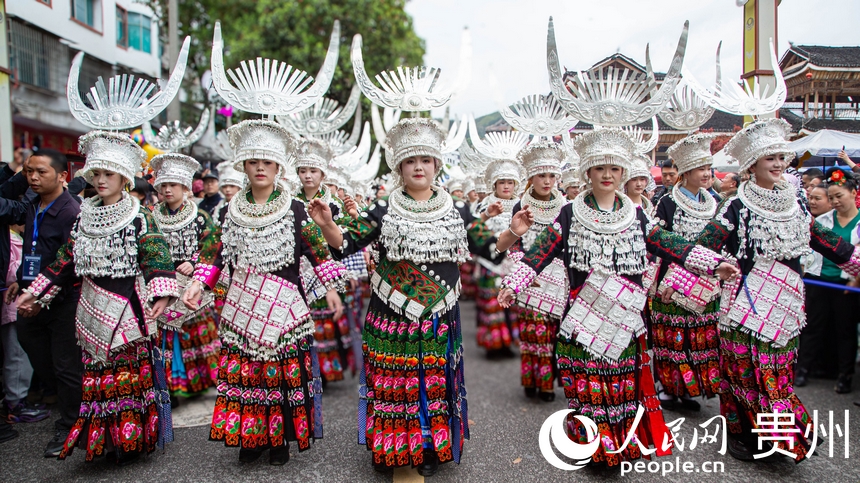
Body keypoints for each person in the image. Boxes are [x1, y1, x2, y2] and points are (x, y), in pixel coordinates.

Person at [498, 128, 737, 468]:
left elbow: (672, 245)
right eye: (599, 169)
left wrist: (714, 264)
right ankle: (593, 446)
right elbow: (539, 253)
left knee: (623, 384)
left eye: (614, 169)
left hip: (625, 317)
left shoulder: (636, 215)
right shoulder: (569, 214)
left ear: (623, 173)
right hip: (583, 316)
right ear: (588, 173)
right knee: (588, 384)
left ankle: (620, 442)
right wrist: (514, 283)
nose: (607, 175)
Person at [308, 118, 527, 475]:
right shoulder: (382, 207)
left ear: (437, 165)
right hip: (390, 314)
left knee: (433, 379)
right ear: (400, 167)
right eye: (411, 161)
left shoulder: (457, 210)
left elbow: (487, 246)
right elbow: (346, 242)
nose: (419, 167)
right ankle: (390, 446)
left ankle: (427, 446)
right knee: (392, 380)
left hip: (439, 315)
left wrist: (511, 233)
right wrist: (327, 225)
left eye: (426, 159)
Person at [695, 119, 860, 462]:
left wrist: (854, 261)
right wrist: (712, 268)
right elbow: (703, 245)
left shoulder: (795, 203)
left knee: (775, 372)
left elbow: (822, 239)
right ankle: (741, 433)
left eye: (781, 157)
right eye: (769, 158)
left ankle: (776, 433)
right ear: (752, 164)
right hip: (744, 303)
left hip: (786, 303)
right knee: (743, 371)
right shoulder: (736, 206)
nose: (777, 164)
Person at [182, 119, 344, 466]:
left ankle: (281, 439)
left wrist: (331, 287)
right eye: (253, 162)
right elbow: (214, 253)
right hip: (242, 304)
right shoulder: (229, 211)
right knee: (248, 374)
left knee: (282, 374)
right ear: (243, 166)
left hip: (285, 304)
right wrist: (198, 282)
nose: (260, 168)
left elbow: (317, 248)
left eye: (267, 162)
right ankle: (251, 437)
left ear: (277, 167)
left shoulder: (295, 208)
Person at [17, 131, 179, 464]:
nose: (101, 180)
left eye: (109, 174)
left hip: (128, 307)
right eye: (97, 174)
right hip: (90, 307)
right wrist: (35, 292)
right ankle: (106, 440)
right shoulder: (84, 215)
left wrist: (161, 293)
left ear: (124, 179)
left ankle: (132, 441)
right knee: (96, 379)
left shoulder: (139, 216)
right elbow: (65, 259)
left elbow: (155, 255)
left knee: (127, 377)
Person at [1, 149, 84, 457]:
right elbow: (32, 252)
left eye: (41, 172)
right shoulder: (31, 206)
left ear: (63, 176)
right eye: (28, 172)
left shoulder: (71, 211)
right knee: (36, 352)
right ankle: (70, 409)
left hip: (62, 300)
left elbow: (70, 262)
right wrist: (19, 282)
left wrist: (41, 294)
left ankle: (70, 426)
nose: (33, 178)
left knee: (65, 365)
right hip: (29, 296)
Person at [651, 133, 721, 412]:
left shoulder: (716, 202)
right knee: (672, 337)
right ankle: (669, 388)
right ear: (686, 172)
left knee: (699, 337)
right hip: (673, 278)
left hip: (706, 280)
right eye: (702, 169)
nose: (707, 174)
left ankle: (691, 389)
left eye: (709, 168)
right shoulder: (667, 202)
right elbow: (658, 243)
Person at [498, 141, 568, 402]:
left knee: (551, 332)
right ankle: (531, 379)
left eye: (552, 175)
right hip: (529, 276)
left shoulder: (566, 207)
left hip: (558, 277)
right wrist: (523, 271)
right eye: (541, 175)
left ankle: (547, 383)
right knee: (531, 332)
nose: (547, 181)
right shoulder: (520, 206)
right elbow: (513, 244)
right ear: (531, 177)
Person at [149, 153, 221, 400]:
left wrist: (193, 262)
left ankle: (196, 381)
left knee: (193, 332)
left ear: (184, 187)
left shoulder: (200, 216)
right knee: (164, 335)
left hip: (191, 284)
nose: (167, 190)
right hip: (162, 282)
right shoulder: (151, 217)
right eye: (163, 186)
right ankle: (170, 385)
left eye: (173, 185)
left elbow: (212, 248)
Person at [293, 139, 352, 384]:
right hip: (298, 268)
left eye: (313, 171)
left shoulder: (335, 205)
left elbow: (345, 239)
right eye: (303, 171)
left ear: (323, 174)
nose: (308, 176)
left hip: (327, 265)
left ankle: (326, 371)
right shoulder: (290, 203)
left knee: (324, 317)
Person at [796, 170, 860, 393]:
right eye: (831, 197)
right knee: (812, 326)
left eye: (839, 196)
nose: (835, 201)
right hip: (818, 281)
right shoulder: (822, 221)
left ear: (853, 193)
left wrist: (856, 279)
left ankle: (845, 374)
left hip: (846, 285)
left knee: (845, 330)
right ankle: (803, 369)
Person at [473, 155, 524, 359]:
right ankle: (493, 345)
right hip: (490, 263)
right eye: (502, 182)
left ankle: (509, 342)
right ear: (494, 184)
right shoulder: (485, 204)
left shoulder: (522, 205)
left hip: (514, 263)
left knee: (512, 305)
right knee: (493, 304)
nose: (506, 186)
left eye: (510, 182)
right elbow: (474, 230)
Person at [2, 223, 50, 424]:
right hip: (14, 306)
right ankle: (16, 403)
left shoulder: (13, 238)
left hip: (15, 306)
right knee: (17, 356)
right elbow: (14, 273)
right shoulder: (12, 240)